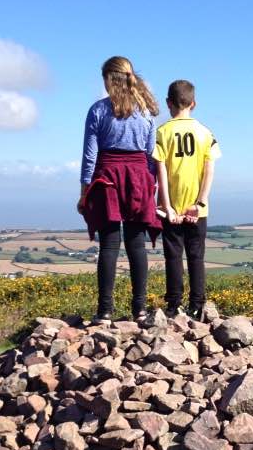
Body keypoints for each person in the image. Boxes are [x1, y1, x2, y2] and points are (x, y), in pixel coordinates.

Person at [78, 56, 161, 321]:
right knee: (136, 244)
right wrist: (151, 185)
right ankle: (140, 309)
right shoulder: (147, 112)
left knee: (109, 246)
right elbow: (150, 155)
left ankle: (104, 310)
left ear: (107, 79)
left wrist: (84, 191)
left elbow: (90, 156)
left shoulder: (98, 110)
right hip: (139, 177)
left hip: (107, 178)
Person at [153, 79, 220, 320]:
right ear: (194, 103)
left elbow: (160, 171)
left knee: (173, 256)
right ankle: (197, 304)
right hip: (197, 208)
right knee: (196, 256)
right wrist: (200, 202)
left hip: (172, 208)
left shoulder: (162, 132)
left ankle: (173, 306)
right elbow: (209, 170)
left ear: (168, 103)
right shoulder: (205, 132)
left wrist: (167, 206)